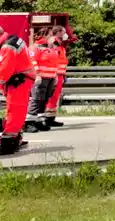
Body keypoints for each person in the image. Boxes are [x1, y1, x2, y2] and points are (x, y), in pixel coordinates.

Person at [0, 25, 34, 155]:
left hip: (18, 81)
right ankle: (16, 137)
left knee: (15, 110)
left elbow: (5, 70)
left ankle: (9, 143)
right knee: (17, 111)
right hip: (21, 80)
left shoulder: (7, 47)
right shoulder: (12, 40)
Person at [26, 27, 67, 132]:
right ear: (44, 35)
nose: (51, 36)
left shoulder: (49, 47)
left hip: (50, 77)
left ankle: (39, 121)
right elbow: (32, 62)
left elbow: (54, 63)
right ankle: (28, 123)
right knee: (36, 99)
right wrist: (37, 75)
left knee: (43, 100)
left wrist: (55, 76)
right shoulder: (36, 47)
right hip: (40, 78)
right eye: (49, 34)